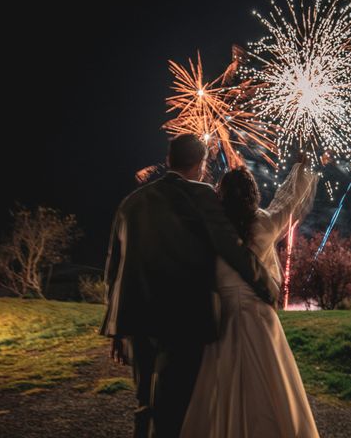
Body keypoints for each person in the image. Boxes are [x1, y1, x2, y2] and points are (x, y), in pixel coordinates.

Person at [100, 133, 279, 438]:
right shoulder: (201, 195)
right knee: (173, 405)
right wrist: (266, 286)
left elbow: (113, 268)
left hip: (138, 320)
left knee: (144, 403)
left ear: (168, 159)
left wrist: (116, 328)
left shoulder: (130, 203)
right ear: (200, 164)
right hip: (183, 317)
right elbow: (231, 247)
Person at [180, 155, 320, 438]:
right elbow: (289, 199)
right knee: (270, 384)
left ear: (222, 193)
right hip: (259, 315)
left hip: (224, 314)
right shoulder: (266, 223)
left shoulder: (215, 227)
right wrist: (300, 169)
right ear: (253, 193)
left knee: (221, 384)